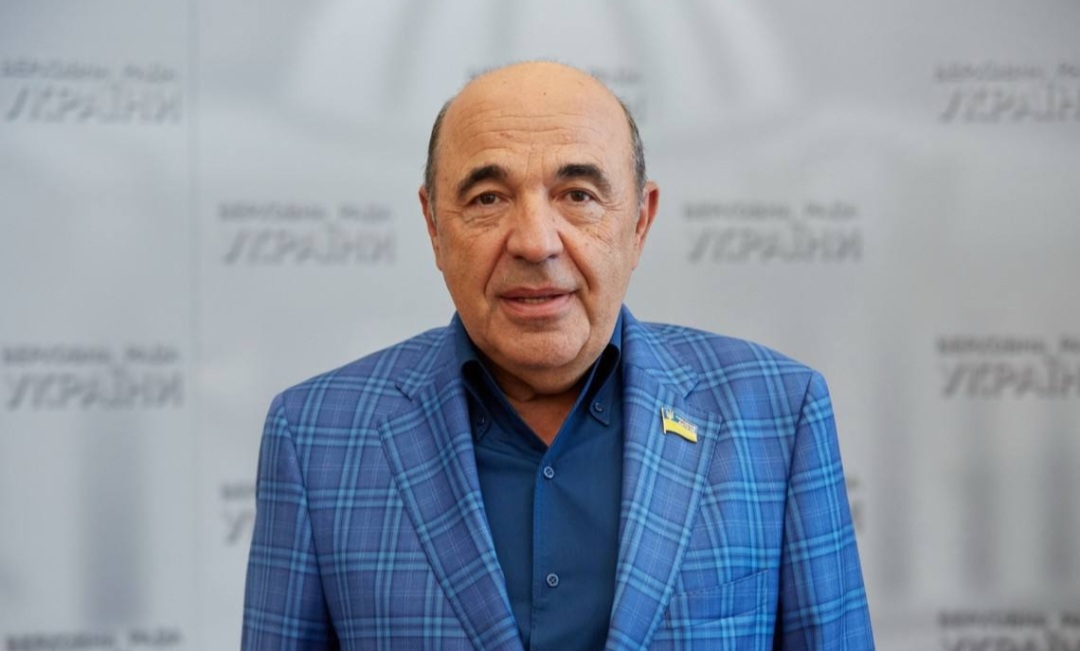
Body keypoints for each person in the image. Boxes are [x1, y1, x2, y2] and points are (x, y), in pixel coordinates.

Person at [242, 61, 874, 650]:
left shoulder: (776, 414)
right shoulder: (315, 437)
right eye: (488, 198)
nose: (536, 241)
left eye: (578, 195)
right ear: (434, 225)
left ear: (640, 222)